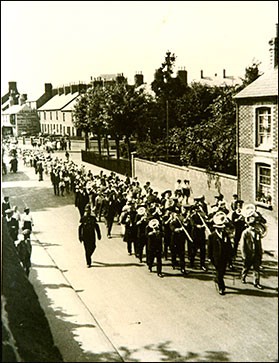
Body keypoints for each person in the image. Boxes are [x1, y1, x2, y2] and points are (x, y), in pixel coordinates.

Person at [208, 212, 233, 295]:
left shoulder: (226, 235)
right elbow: (209, 248)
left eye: (221, 227)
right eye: (219, 228)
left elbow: (229, 245)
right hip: (216, 258)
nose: (221, 229)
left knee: (222, 272)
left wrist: (231, 255)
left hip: (224, 257)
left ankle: (218, 279)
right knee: (219, 272)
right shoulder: (212, 236)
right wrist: (209, 257)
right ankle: (221, 288)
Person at [240, 213, 263, 289]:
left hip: (256, 253)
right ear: (248, 225)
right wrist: (243, 255)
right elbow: (242, 245)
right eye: (251, 225)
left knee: (256, 269)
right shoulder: (245, 233)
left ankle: (256, 282)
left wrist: (260, 253)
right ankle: (243, 277)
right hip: (248, 254)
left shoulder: (257, 232)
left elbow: (259, 243)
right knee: (246, 267)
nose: (253, 227)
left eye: (254, 225)